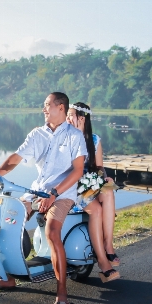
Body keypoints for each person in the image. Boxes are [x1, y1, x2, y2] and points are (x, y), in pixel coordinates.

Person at [0, 92, 85, 304]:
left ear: (61, 107)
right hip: (37, 190)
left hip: (63, 194)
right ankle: (6, 276)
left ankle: (61, 291)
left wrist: (54, 193)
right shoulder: (37, 134)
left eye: (47, 105)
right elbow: (15, 158)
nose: (43, 109)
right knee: (5, 223)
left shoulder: (74, 136)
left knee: (53, 232)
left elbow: (78, 171)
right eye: (44, 106)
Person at [67, 102, 121, 281]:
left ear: (82, 118)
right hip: (71, 186)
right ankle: (103, 259)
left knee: (108, 190)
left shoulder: (95, 140)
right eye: (66, 115)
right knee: (96, 208)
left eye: (70, 115)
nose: (67, 118)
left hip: (87, 185)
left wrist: (104, 178)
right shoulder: (66, 138)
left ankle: (108, 245)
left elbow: (99, 168)